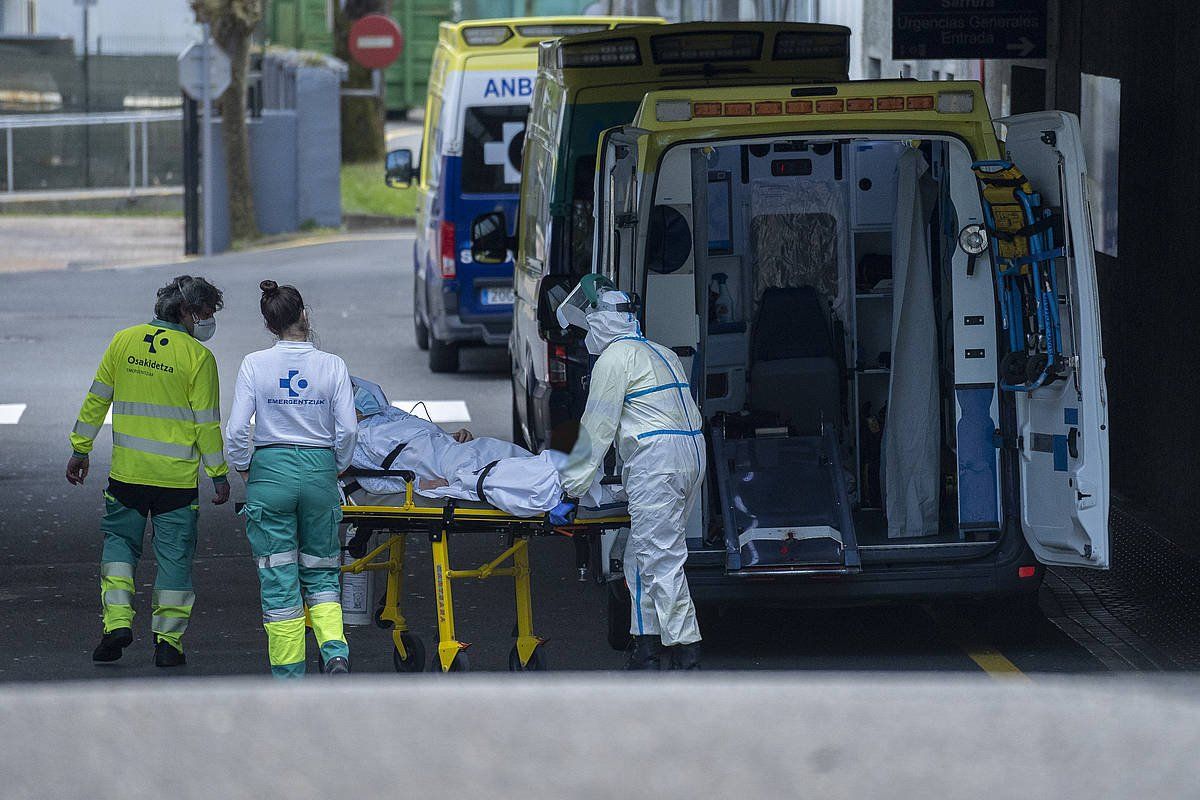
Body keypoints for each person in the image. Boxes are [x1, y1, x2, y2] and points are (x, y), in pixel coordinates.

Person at [67, 275, 230, 668]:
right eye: (206, 313)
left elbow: (96, 400)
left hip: (127, 476)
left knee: (119, 547)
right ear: (187, 311)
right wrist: (219, 473)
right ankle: (168, 643)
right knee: (174, 560)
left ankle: (117, 622)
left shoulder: (123, 341)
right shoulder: (198, 358)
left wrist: (80, 449)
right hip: (175, 481)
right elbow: (206, 424)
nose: (208, 321)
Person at [557, 275, 706, 670]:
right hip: (689, 455)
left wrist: (569, 488)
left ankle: (686, 648)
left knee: (661, 557)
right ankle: (646, 644)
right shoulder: (661, 353)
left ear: (600, 321)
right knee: (642, 555)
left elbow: (596, 429)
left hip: (657, 462)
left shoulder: (614, 359)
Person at [225, 280, 357, 678]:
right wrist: (335, 466)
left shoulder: (254, 364)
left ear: (270, 325)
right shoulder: (333, 365)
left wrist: (245, 467)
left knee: (279, 577)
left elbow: (235, 430)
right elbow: (348, 429)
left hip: (270, 473)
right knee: (322, 568)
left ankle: (290, 677)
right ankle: (334, 650)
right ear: (304, 315)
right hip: (319, 471)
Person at [349, 383, 575, 521]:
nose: (360, 395)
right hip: (438, 468)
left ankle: (565, 477)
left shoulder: (389, 414)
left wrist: (452, 436)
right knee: (485, 475)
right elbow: (371, 480)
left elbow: (428, 434)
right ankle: (554, 492)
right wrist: (416, 485)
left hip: (454, 449)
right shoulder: (354, 438)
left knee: (499, 450)